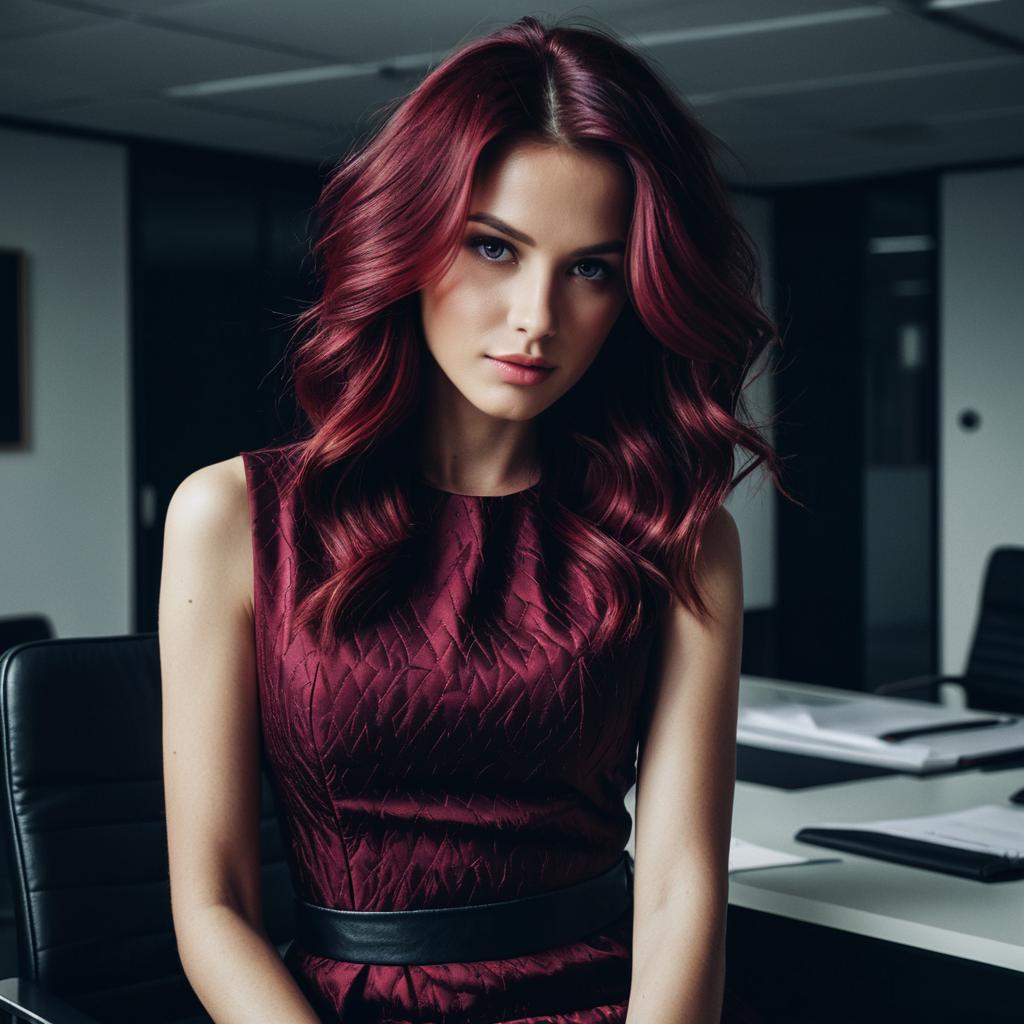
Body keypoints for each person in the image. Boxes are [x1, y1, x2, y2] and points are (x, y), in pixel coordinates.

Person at [159, 14, 789, 1024]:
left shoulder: (678, 533)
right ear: (409, 241)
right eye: (494, 247)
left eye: (591, 268)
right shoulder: (231, 517)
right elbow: (214, 906)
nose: (537, 316)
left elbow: (680, 889)